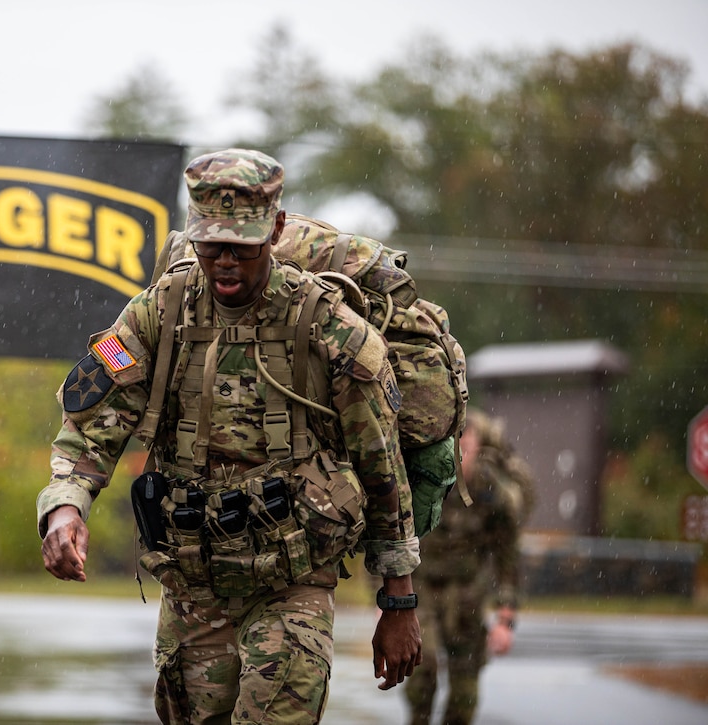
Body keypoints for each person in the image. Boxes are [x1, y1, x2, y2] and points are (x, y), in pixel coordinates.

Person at [37, 148, 423, 724]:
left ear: (277, 231)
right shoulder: (154, 315)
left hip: (290, 586)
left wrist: (398, 600)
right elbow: (92, 425)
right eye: (209, 244)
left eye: (241, 246)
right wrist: (66, 507)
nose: (224, 262)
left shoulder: (327, 326)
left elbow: (381, 464)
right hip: (193, 587)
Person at [404, 408, 533, 725]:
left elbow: (507, 553)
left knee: (465, 691)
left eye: (468, 439)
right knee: (423, 668)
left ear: (478, 444)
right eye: (455, 439)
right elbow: (389, 535)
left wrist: (506, 617)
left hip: (468, 595)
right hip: (422, 589)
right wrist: (387, 599)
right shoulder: (423, 479)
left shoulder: (493, 492)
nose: (461, 447)